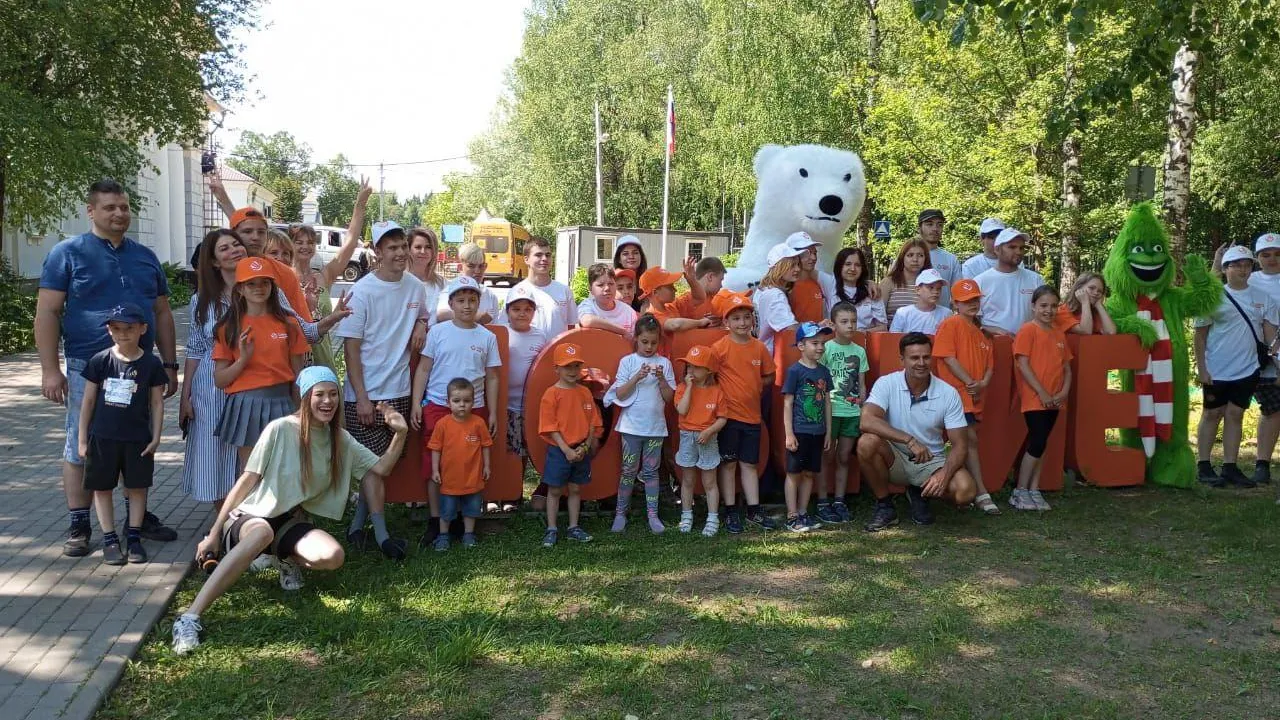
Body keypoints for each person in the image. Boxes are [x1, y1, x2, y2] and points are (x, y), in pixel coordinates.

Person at [171, 367, 408, 656]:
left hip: (289, 520)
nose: (328, 401)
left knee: (333, 556)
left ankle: (279, 557)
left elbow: (381, 469)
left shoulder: (340, 439)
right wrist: (214, 533)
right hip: (251, 515)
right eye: (319, 394)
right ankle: (190, 617)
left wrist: (401, 432)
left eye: (333, 394)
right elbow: (247, 480)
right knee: (261, 532)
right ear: (305, 397)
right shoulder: (280, 428)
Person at [37, 179, 179, 556]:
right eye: (110, 207)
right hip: (91, 367)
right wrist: (50, 369)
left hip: (141, 368)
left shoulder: (146, 257)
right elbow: (48, 311)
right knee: (81, 443)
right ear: (91, 211)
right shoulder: (67, 253)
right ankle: (80, 522)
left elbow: (163, 312)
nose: (119, 214)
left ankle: (137, 518)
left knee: (135, 443)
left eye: (124, 207)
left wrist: (169, 364)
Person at [334, 220, 430, 560]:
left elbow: (426, 314)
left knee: (382, 464)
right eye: (391, 247)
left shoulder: (416, 288)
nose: (400, 252)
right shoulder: (362, 292)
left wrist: (420, 322)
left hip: (400, 388)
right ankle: (383, 537)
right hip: (367, 394)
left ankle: (357, 529)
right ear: (376, 252)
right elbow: (351, 349)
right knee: (374, 466)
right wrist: (360, 396)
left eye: (402, 245)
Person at [410, 275, 501, 545]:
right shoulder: (437, 332)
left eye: (472, 300)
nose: (466, 306)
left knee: (470, 463)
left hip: (475, 409)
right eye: (460, 300)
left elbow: (492, 376)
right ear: (450, 302)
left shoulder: (487, 336)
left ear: (479, 302)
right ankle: (436, 521)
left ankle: (464, 521)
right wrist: (417, 402)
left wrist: (493, 412)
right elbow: (424, 368)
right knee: (435, 464)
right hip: (438, 406)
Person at [857, 333, 979, 532]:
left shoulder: (948, 393)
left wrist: (944, 475)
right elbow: (866, 419)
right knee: (866, 442)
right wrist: (908, 439)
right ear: (902, 360)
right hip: (894, 455)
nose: (921, 363)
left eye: (926, 357)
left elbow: (960, 445)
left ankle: (920, 493)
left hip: (931, 460)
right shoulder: (887, 383)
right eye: (914, 358)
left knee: (965, 492)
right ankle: (885, 506)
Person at [76, 303, 168, 566]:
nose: (122, 334)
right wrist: (82, 439)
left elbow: (157, 403)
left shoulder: (151, 363)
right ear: (109, 330)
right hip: (103, 438)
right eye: (116, 329)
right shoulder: (100, 360)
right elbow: (88, 402)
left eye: (129, 328)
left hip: (137, 438)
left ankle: (135, 537)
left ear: (143, 329)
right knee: (102, 488)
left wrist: (156, 436)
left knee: (137, 488)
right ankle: (109, 539)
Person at [1195, 246, 1277, 488]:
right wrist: (1202, 368)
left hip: (1249, 369)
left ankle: (1230, 467)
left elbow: (1270, 337)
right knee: (1211, 414)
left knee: (1235, 415)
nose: (1243, 269)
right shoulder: (1213, 297)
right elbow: (1199, 336)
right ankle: (1204, 465)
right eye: (1237, 264)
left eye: (1247, 264)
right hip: (1216, 368)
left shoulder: (1262, 297)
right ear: (1225, 269)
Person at [212, 258, 310, 460]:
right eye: (251, 283)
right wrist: (242, 360)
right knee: (251, 473)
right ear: (240, 289)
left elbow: (299, 376)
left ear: (272, 286)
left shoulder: (289, 324)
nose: (259, 288)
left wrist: (301, 410)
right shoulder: (228, 326)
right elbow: (220, 380)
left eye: (265, 282)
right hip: (245, 405)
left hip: (283, 401)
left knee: (285, 470)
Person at [181, 230, 246, 508]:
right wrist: (185, 398)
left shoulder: (263, 289)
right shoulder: (201, 300)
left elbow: (296, 329)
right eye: (224, 249)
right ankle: (222, 528)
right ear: (215, 262)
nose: (234, 250)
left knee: (248, 454)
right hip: (211, 388)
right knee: (215, 454)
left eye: (236, 244)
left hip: (254, 384)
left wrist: (323, 322)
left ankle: (250, 526)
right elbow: (195, 349)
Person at [711, 290, 779, 533]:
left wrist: (757, 386)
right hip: (727, 418)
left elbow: (769, 376)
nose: (742, 322)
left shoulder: (759, 348)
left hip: (752, 417)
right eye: (736, 318)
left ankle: (753, 510)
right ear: (726, 322)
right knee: (728, 465)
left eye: (746, 317)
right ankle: (730, 511)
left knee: (750, 464)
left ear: (752, 320)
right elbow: (709, 377)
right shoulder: (719, 348)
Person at [287, 178, 374, 368]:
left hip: (322, 356)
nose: (305, 246)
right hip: (292, 360)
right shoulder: (282, 277)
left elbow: (350, 243)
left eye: (310, 242)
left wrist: (359, 205)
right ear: (290, 245)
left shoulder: (323, 276)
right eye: (299, 242)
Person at [604, 315, 676, 534]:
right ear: (636, 339)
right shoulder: (628, 362)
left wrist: (662, 380)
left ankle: (653, 515)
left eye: (654, 343)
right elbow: (620, 393)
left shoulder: (665, 363)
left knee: (651, 472)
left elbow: (669, 398)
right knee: (628, 471)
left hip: (655, 429)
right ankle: (620, 513)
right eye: (645, 342)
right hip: (631, 428)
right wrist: (637, 377)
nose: (649, 347)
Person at [933, 279, 999, 515]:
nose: (972, 304)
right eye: (966, 300)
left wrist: (981, 384)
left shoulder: (983, 334)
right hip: (955, 396)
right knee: (968, 440)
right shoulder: (950, 324)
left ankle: (958, 488)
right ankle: (980, 492)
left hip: (974, 397)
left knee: (966, 442)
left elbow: (991, 366)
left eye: (975, 299)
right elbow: (947, 357)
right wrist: (970, 382)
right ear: (955, 303)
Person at [1011, 286, 1074, 511]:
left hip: (1055, 399)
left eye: (1053, 306)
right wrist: (1043, 393)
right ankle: (1019, 491)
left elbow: (1066, 368)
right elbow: (1023, 365)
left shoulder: (1058, 333)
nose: (1048, 310)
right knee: (1037, 441)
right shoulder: (1028, 330)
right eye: (1043, 305)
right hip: (1035, 398)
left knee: (1042, 443)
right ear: (1033, 307)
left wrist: (1064, 391)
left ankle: (1033, 489)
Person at [538, 343, 603, 547]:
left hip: (580, 450)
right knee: (555, 490)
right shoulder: (551, 394)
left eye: (576, 366)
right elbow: (550, 426)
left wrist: (584, 447)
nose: (572, 371)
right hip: (560, 451)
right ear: (556, 369)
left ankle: (573, 527)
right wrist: (566, 450)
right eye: (567, 367)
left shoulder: (584, 392)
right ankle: (551, 528)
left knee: (575, 489)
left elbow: (593, 421)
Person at [427, 378, 493, 551]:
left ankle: (469, 534)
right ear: (448, 402)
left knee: (471, 508)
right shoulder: (442, 424)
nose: (462, 405)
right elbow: (435, 448)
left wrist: (487, 466)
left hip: (473, 477)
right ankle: (443, 536)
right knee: (447, 510)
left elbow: (486, 445)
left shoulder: (478, 423)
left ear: (474, 401)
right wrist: (435, 469)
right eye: (456, 401)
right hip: (449, 479)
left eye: (467, 401)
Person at [499, 285, 547, 512]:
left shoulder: (540, 335)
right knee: (509, 450)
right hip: (505, 404)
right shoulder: (500, 333)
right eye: (516, 308)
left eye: (527, 309)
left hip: (529, 405)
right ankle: (509, 493)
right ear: (507, 311)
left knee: (526, 449)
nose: (521, 313)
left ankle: (518, 491)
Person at [782, 322, 834, 532]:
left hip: (818, 432)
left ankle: (803, 513)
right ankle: (792, 516)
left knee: (810, 473)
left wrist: (828, 431)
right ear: (801, 345)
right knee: (794, 473)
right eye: (815, 343)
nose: (820, 347)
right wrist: (789, 434)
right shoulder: (795, 371)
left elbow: (828, 402)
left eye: (822, 343)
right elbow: (787, 403)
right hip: (799, 431)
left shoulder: (824, 371)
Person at [819, 302, 868, 524]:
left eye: (854, 321)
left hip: (851, 411)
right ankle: (821, 501)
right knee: (826, 457)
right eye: (844, 321)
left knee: (844, 457)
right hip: (830, 410)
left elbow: (861, 383)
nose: (850, 326)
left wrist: (861, 405)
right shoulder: (826, 348)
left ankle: (839, 500)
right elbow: (818, 377)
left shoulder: (859, 351)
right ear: (834, 324)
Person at [675, 345, 727, 536]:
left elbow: (722, 418)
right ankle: (686, 515)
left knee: (709, 482)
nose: (691, 371)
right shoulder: (682, 388)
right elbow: (681, 410)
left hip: (708, 438)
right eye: (689, 366)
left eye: (696, 367)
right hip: (687, 436)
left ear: (709, 370)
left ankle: (712, 518)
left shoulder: (717, 391)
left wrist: (710, 431)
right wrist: (689, 387)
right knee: (687, 480)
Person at [1246, 232, 1280, 485]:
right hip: (1264, 353)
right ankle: (1262, 464)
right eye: (1266, 255)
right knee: (1272, 410)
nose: (1272, 259)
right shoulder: (1249, 280)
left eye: (1278, 254)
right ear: (1257, 258)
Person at [496, 237, 577, 337]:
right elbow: (504, 327)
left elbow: (571, 327)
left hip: (557, 351)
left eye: (548, 255)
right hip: (525, 352)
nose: (544, 259)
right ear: (526, 259)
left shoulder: (564, 291)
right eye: (538, 255)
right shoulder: (515, 291)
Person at [975, 228, 1045, 336]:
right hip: (994, 346)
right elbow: (973, 320)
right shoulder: (981, 281)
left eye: (1022, 248)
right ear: (997, 249)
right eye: (1012, 247)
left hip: (1029, 345)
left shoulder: (1035, 279)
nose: (1018, 252)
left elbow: (1045, 314)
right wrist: (994, 330)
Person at [753, 244, 805, 353]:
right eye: (792, 265)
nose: (798, 269)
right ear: (778, 266)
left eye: (798, 264)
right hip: (769, 356)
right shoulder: (775, 295)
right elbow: (790, 328)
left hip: (759, 352)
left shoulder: (763, 288)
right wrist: (817, 327)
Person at [640, 257, 712, 336]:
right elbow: (676, 325)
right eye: (670, 287)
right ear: (655, 292)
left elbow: (699, 298)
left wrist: (692, 280)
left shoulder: (673, 306)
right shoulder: (651, 317)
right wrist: (700, 322)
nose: (675, 290)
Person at [436, 243, 499, 324]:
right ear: (460, 267)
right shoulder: (450, 290)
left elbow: (496, 327)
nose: (477, 271)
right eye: (471, 266)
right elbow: (441, 315)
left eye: (481, 266)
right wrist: (474, 316)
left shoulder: (490, 296)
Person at [827, 247, 887, 331]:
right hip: (836, 342)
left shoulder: (871, 291)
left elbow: (883, 327)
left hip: (865, 341)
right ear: (839, 266)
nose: (852, 269)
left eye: (857, 265)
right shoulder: (829, 285)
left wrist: (858, 336)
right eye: (848, 264)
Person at [878, 239, 933, 328]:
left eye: (920, 255)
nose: (915, 259)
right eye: (910, 255)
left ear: (925, 259)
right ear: (902, 258)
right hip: (892, 336)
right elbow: (877, 317)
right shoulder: (888, 283)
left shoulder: (931, 284)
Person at [578, 263, 639, 338]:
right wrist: (622, 331)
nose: (607, 288)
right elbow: (588, 321)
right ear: (590, 288)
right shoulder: (587, 305)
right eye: (600, 285)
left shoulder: (629, 312)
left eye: (611, 283)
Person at [918, 209, 961, 308]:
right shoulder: (907, 256)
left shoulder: (951, 259)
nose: (935, 229)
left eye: (939, 225)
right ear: (919, 228)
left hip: (942, 320)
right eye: (929, 224)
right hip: (913, 319)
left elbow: (958, 294)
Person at [889, 269, 952, 334]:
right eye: (931, 287)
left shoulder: (946, 314)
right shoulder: (903, 313)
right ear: (918, 290)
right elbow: (893, 339)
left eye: (939, 288)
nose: (936, 292)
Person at [787, 232, 831, 322]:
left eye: (814, 253)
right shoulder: (786, 287)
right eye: (807, 254)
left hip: (820, 335)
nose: (813, 258)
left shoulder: (819, 283)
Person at [407, 227, 447, 323]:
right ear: (408, 249)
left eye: (428, 247)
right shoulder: (399, 282)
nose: (423, 251)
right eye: (418, 247)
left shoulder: (444, 284)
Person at [613, 235, 649, 311]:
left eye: (635, 253)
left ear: (641, 256)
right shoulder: (611, 279)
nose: (631, 257)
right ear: (619, 259)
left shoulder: (650, 281)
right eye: (625, 254)